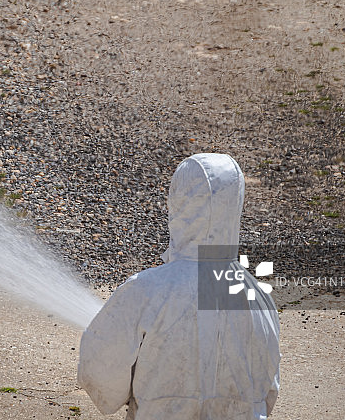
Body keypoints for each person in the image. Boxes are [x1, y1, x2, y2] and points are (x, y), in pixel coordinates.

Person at [77, 153, 280, 419]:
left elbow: (100, 371)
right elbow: (268, 390)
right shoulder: (259, 298)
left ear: (179, 202)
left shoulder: (145, 289)